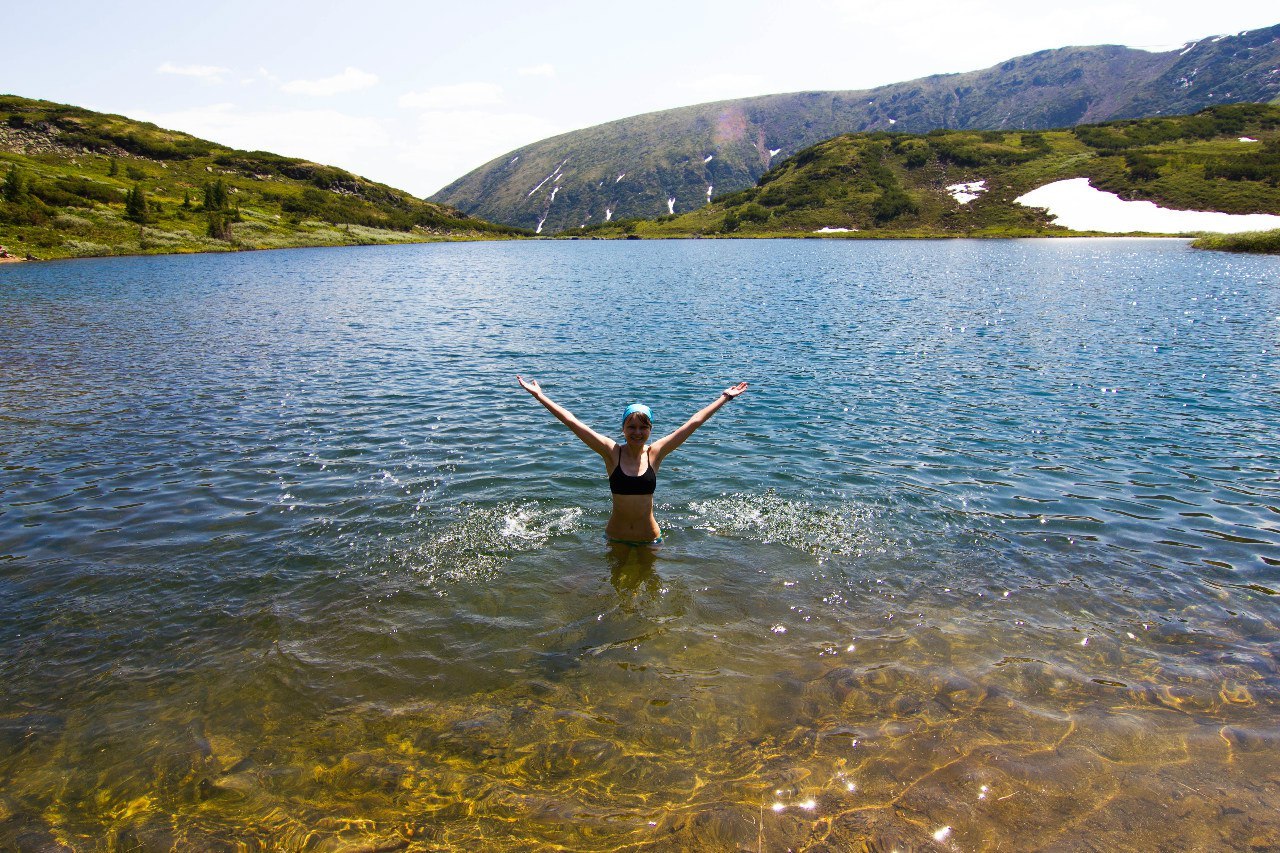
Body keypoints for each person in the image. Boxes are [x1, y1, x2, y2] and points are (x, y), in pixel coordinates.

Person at [516, 377, 748, 551]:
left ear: (650, 429)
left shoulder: (655, 453)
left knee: (650, 598)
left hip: (650, 539)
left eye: (643, 427)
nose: (637, 432)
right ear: (623, 429)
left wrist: (724, 398)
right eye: (631, 427)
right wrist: (539, 396)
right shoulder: (611, 453)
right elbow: (572, 422)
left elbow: (693, 422)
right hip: (615, 537)